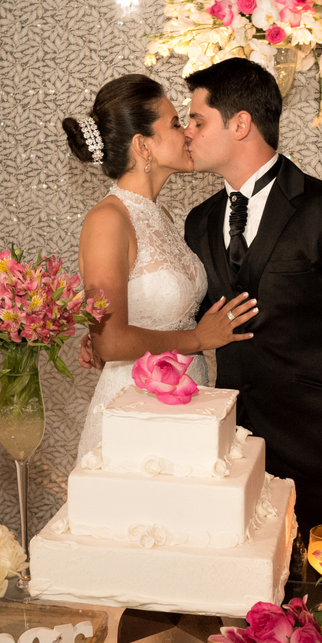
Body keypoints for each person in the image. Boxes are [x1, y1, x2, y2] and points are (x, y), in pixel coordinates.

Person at [181, 58, 322, 538]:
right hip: (235, 453)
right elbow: (195, 319)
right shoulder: (199, 220)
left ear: (240, 124)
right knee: (251, 597)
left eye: (197, 119)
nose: (187, 132)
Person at [63, 74, 257, 458]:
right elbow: (111, 341)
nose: (187, 132)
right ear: (142, 146)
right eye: (173, 124)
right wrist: (198, 340)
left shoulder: (163, 215)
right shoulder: (108, 219)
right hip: (134, 407)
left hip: (190, 397)